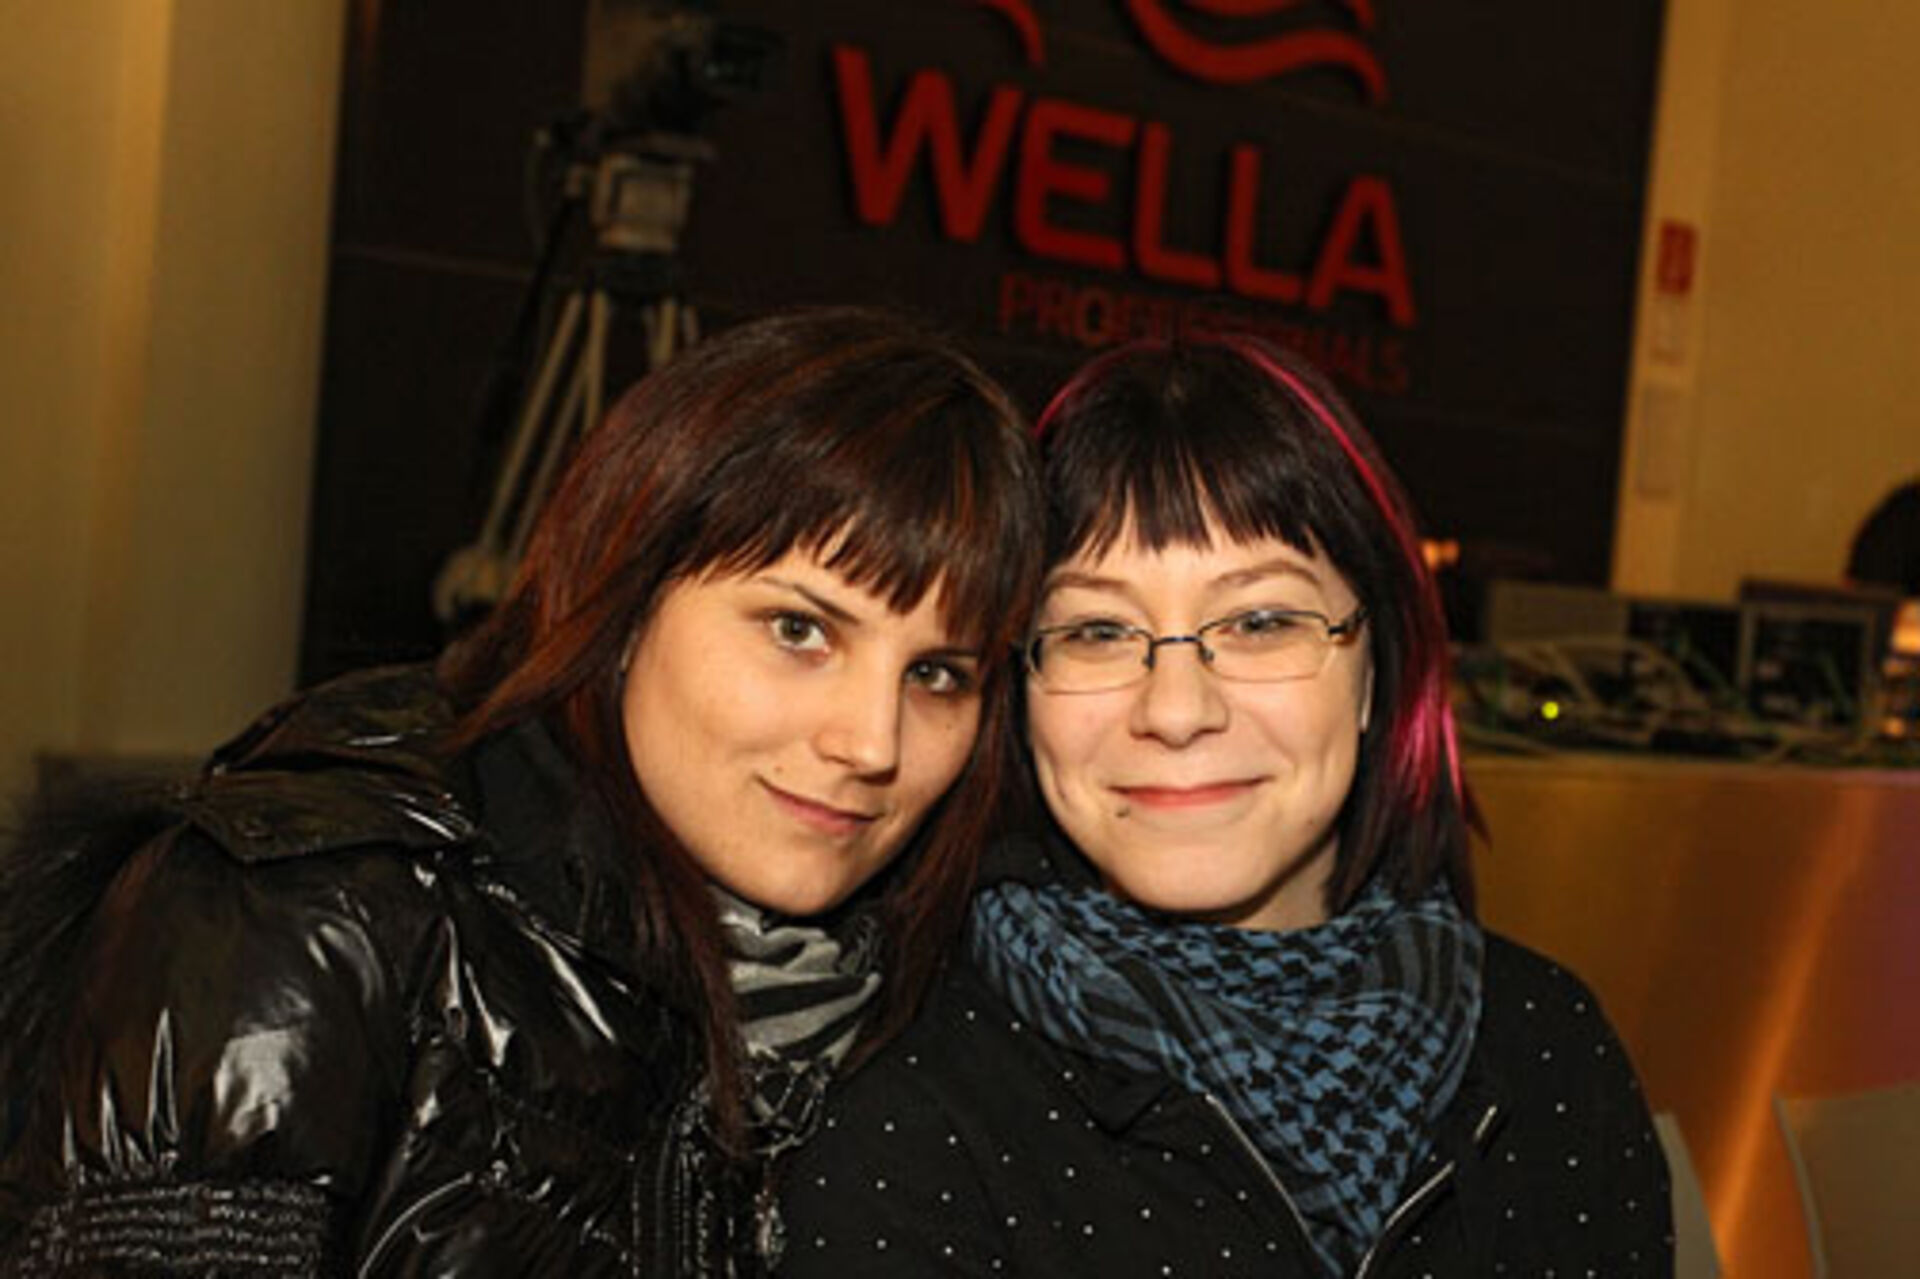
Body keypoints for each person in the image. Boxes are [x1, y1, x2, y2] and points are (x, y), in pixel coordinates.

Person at [0, 308, 1044, 1276]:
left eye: (936, 673)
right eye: (798, 629)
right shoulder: (303, 918)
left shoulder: (942, 1001)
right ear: (624, 601)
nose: (870, 741)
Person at [779, 335, 1673, 1276]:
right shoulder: (910, 1112)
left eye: (1260, 621)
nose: (1176, 710)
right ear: (1020, 688)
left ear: (1376, 668)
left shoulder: (1547, 1050)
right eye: (1097, 630)